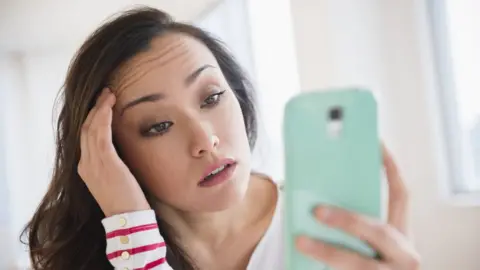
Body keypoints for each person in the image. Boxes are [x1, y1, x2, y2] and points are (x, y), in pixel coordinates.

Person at [22, 7, 420, 270]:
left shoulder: (332, 234)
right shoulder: (91, 257)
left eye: (212, 97)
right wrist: (132, 233)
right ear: (110, 154)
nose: (205, 140)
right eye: (158, 125)